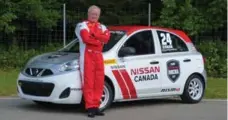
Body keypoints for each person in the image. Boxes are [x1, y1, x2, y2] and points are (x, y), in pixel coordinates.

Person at [75, 5, 110, 118]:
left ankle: (96, 106)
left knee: (99, 82)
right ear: (88, 14)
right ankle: (90, 107)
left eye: (96, 14)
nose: (94, 16)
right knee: (88, 82)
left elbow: (107, 38)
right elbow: (85, 39)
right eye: (92, 13)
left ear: (99, 15)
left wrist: (94, 35)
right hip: (87, 56)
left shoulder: (102, 26)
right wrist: (99, 41)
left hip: (99, 56)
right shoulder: (82, 25)